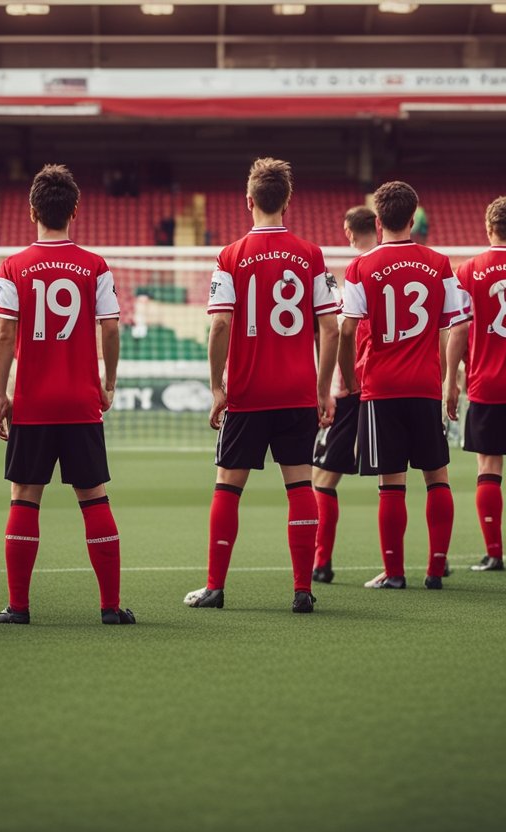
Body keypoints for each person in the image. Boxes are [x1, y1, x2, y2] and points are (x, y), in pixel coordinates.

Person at [184, 157, 340, 613]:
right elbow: (329, 327)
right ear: (287, 202)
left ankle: (214, 587)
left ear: (248, 201)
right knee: (300, 487)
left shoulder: (229, 255)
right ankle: (302, 590)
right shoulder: (311, 254)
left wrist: (218, 387)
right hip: (296, 391)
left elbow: (219, 325)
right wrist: (323, 388)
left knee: (227, 487)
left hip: (249, 393)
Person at [0, 164, 135, 626]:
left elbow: (5, 337)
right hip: (79, 402)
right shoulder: (95, 265)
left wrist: (0, 395)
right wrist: (107, 383)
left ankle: (18, 607)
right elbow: (110, 327)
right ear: (74, 209)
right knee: (94, 498)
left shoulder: (13, 266)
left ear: (32, 209)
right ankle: (110, 607)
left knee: (24, 497)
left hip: (33, 402)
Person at [340, 180, 470, 591]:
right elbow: (455, 325)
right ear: (413, 218)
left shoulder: (360, 266)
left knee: (390, 483)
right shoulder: (439, 263)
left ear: (377, 222)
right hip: (426, 384)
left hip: (381, 388)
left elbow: (346, 329)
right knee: (437, 477)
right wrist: (451, 380)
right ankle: (435, 570)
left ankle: (394, 573)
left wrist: (351, 378)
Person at [444, 196, 506, 572]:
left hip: (486, 383)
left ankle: (493, 552)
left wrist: (451, 380)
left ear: (488, 229)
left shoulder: (468, 270)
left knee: (488, 467)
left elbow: (458, 330)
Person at [311, 205, 377, 584]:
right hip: (400, 386)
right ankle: (434, 563)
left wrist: (338, 385)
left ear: (350, 232)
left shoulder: (357, 273)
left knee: (324, 477)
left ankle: (321, 562)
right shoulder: (402, 268)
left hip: (357, 387)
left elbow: (342, 333)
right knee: (414, 475)